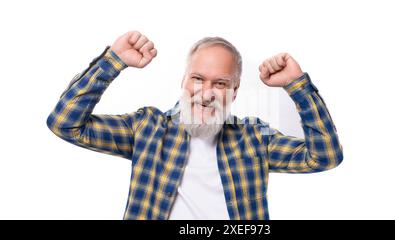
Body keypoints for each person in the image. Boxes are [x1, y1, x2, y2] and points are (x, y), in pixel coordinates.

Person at [46, 31, 343, 220]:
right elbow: (65, 123)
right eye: (198, 79)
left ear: (234, 91)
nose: (206, 92)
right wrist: (113, 62)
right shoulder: (147, 127)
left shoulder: (255, 137)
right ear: (184, 81)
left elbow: (325, 156)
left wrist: (297, 87)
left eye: (220, 83)